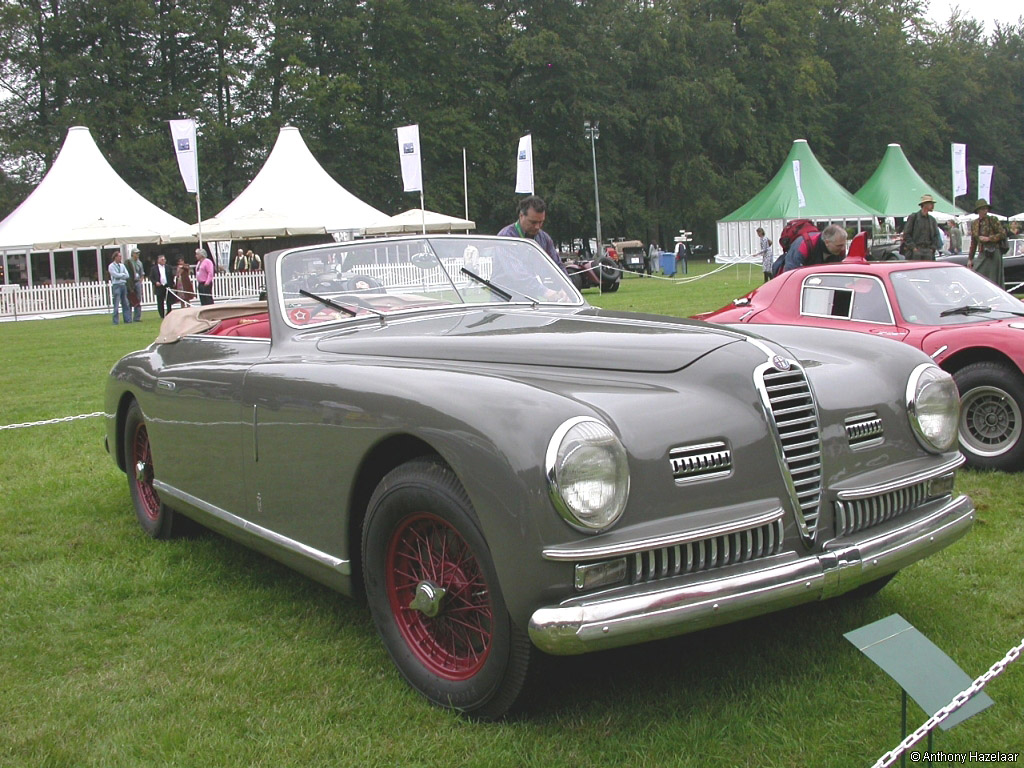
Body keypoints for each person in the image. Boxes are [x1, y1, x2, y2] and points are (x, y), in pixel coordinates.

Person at [497, 195, 564, 269]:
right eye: (533, 222)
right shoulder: (506, 238)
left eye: (541, 222)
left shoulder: (545, 239)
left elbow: (558, 266)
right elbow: (516, 274)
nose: (537, 227)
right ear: (521, 216)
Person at [968, 199, 1008, 288]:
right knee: (977, 273)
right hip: (983, 252)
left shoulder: (992, 220)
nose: (985, 211)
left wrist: (989, 238)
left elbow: (1002, 234)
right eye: (982, 209)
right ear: (978, 210)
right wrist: (970, 258)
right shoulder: (975, 223)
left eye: (986, 209)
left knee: (993, 278)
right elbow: (973, 242)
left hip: (994, 252)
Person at [779, 224, 848, 273]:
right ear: (827, 242)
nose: (843, 249)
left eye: (844, 245)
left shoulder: (840, 251)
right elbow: (790, 273)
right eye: (839, 246)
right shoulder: (804, 244)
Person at [901, 194, 942, 260]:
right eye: (931, 204)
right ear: (925, 204)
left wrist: (932, 248)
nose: (933, 206)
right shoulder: (914, 217)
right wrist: (914, 248)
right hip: (916, 250)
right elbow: (906, 234)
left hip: (928, 251)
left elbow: (936, 236)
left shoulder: (932, 220)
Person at [108, 251, 132, 325]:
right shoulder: (111, 266)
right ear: (115, 257)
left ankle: (127, 319)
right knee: (116, 303)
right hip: (116, 285)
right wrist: (122, 275)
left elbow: (127, 275)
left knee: (125, 303)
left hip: (123, 285)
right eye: (119, 256)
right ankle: (115, 321)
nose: (120, 258)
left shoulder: (122, 266)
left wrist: (120, 275)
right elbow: (115, 275)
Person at [149, 254, 175, 318]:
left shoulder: (168, 267)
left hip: (167, 286)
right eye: (162, 260)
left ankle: (169, 313)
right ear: (158, 260)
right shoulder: (154, 268)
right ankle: (162, 315)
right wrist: (155, 282)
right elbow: (151, 277)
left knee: (169, 301)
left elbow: (171, 276)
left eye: (164, 259)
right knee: (160, 302)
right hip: (159, 286)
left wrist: (172, 284)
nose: (164, 261)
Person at [126, 249, 145, 321]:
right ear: (132, 254)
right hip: (131, 282)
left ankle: (137, 317)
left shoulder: (140, 263)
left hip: (137, 281)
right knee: (131, 298)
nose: (137, 255)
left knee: (138, 299)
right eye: (136, 253)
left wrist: (140, 280)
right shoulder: (129, 262)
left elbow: (142, 273)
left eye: (138, 253)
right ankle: (129, 317)